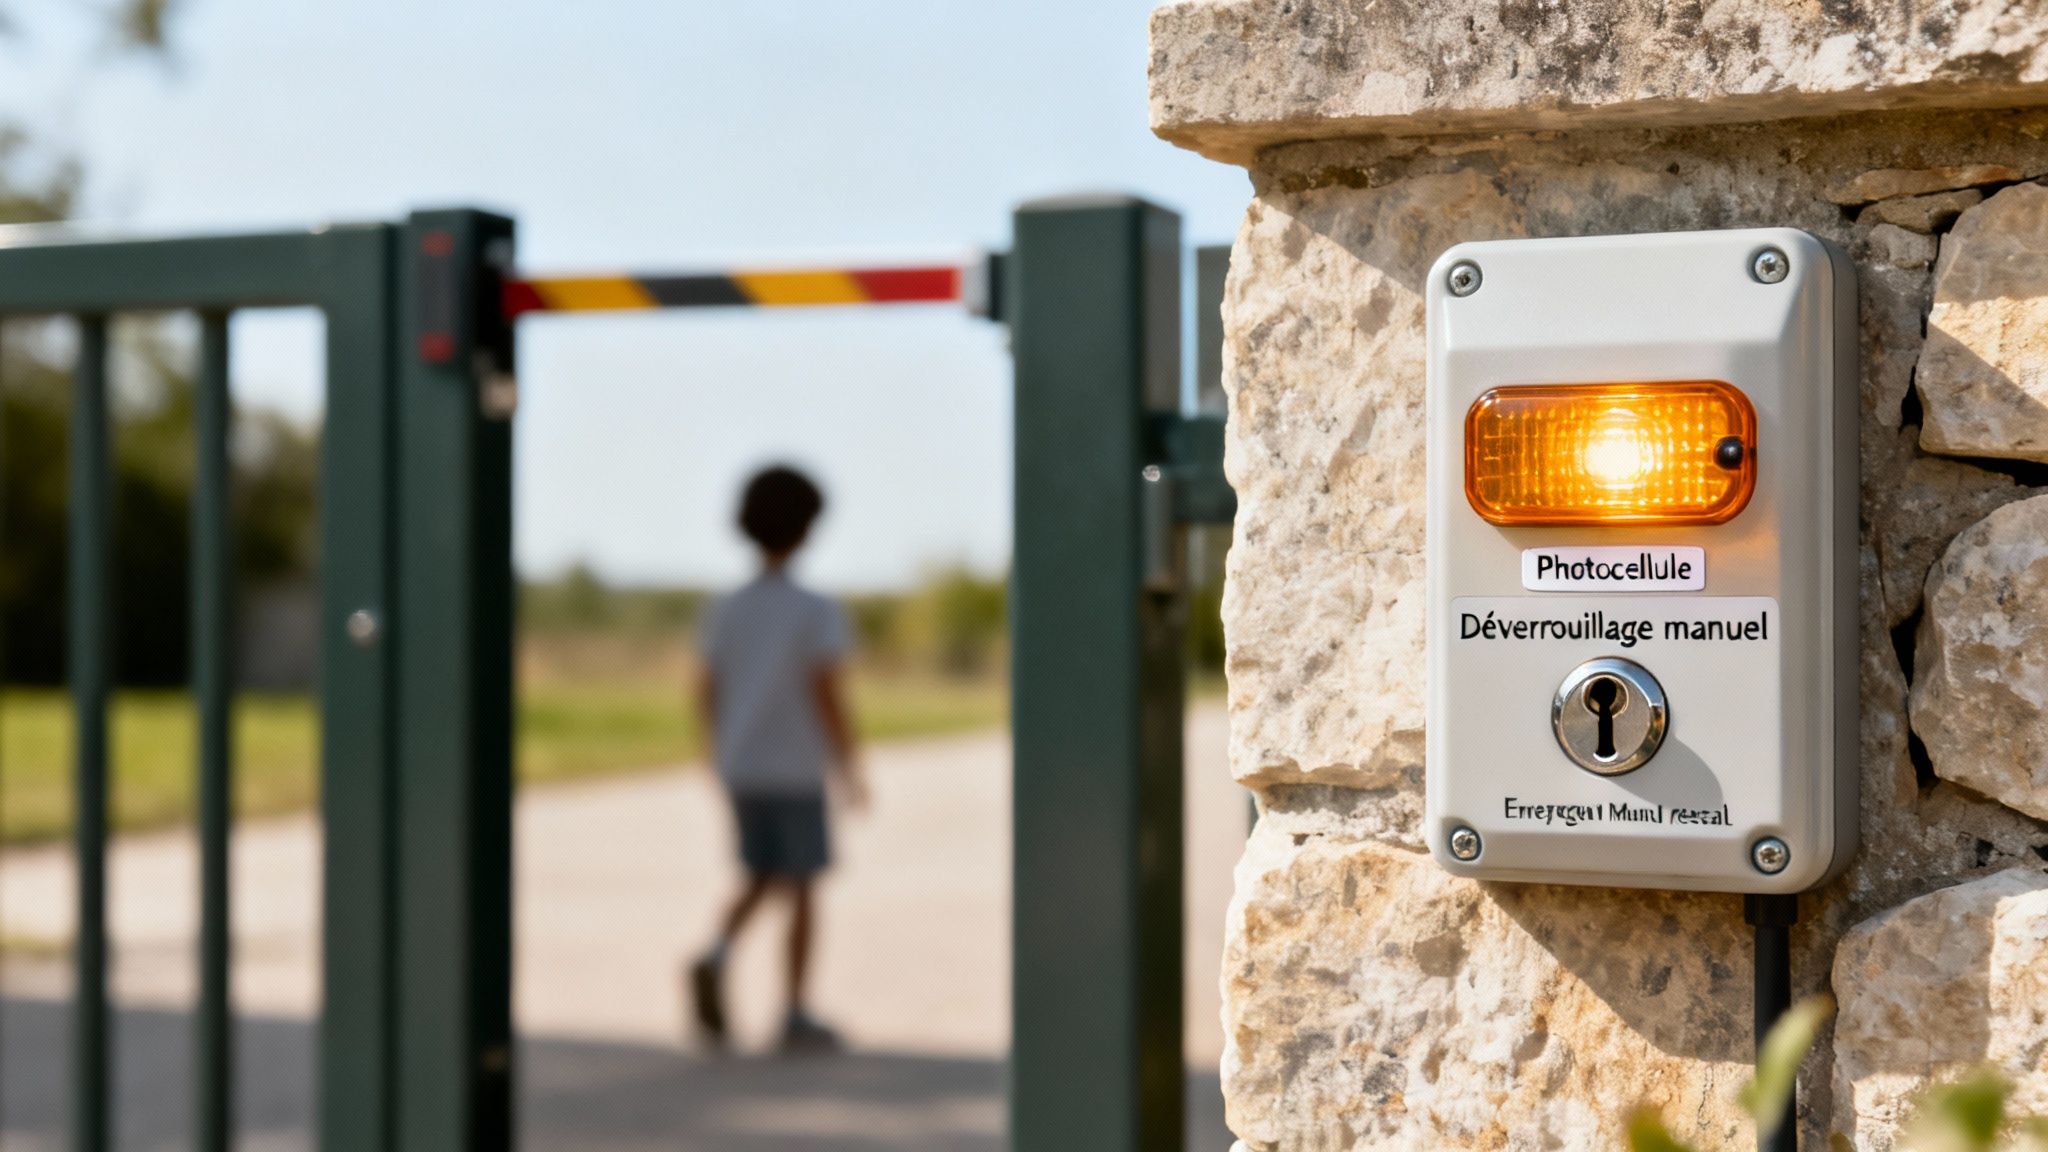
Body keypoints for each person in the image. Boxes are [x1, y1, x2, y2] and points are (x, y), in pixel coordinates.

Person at [687, 465, 865, 1054]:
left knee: (760, 872)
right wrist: (849, 765)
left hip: (743, 763)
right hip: (794, 766)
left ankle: (716, 953)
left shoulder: (727, 607)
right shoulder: (814, 609)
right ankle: (794, 1008)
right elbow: (826, 691)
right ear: (808, 528)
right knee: (804, 885)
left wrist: (714, 750)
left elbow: (706, 686)